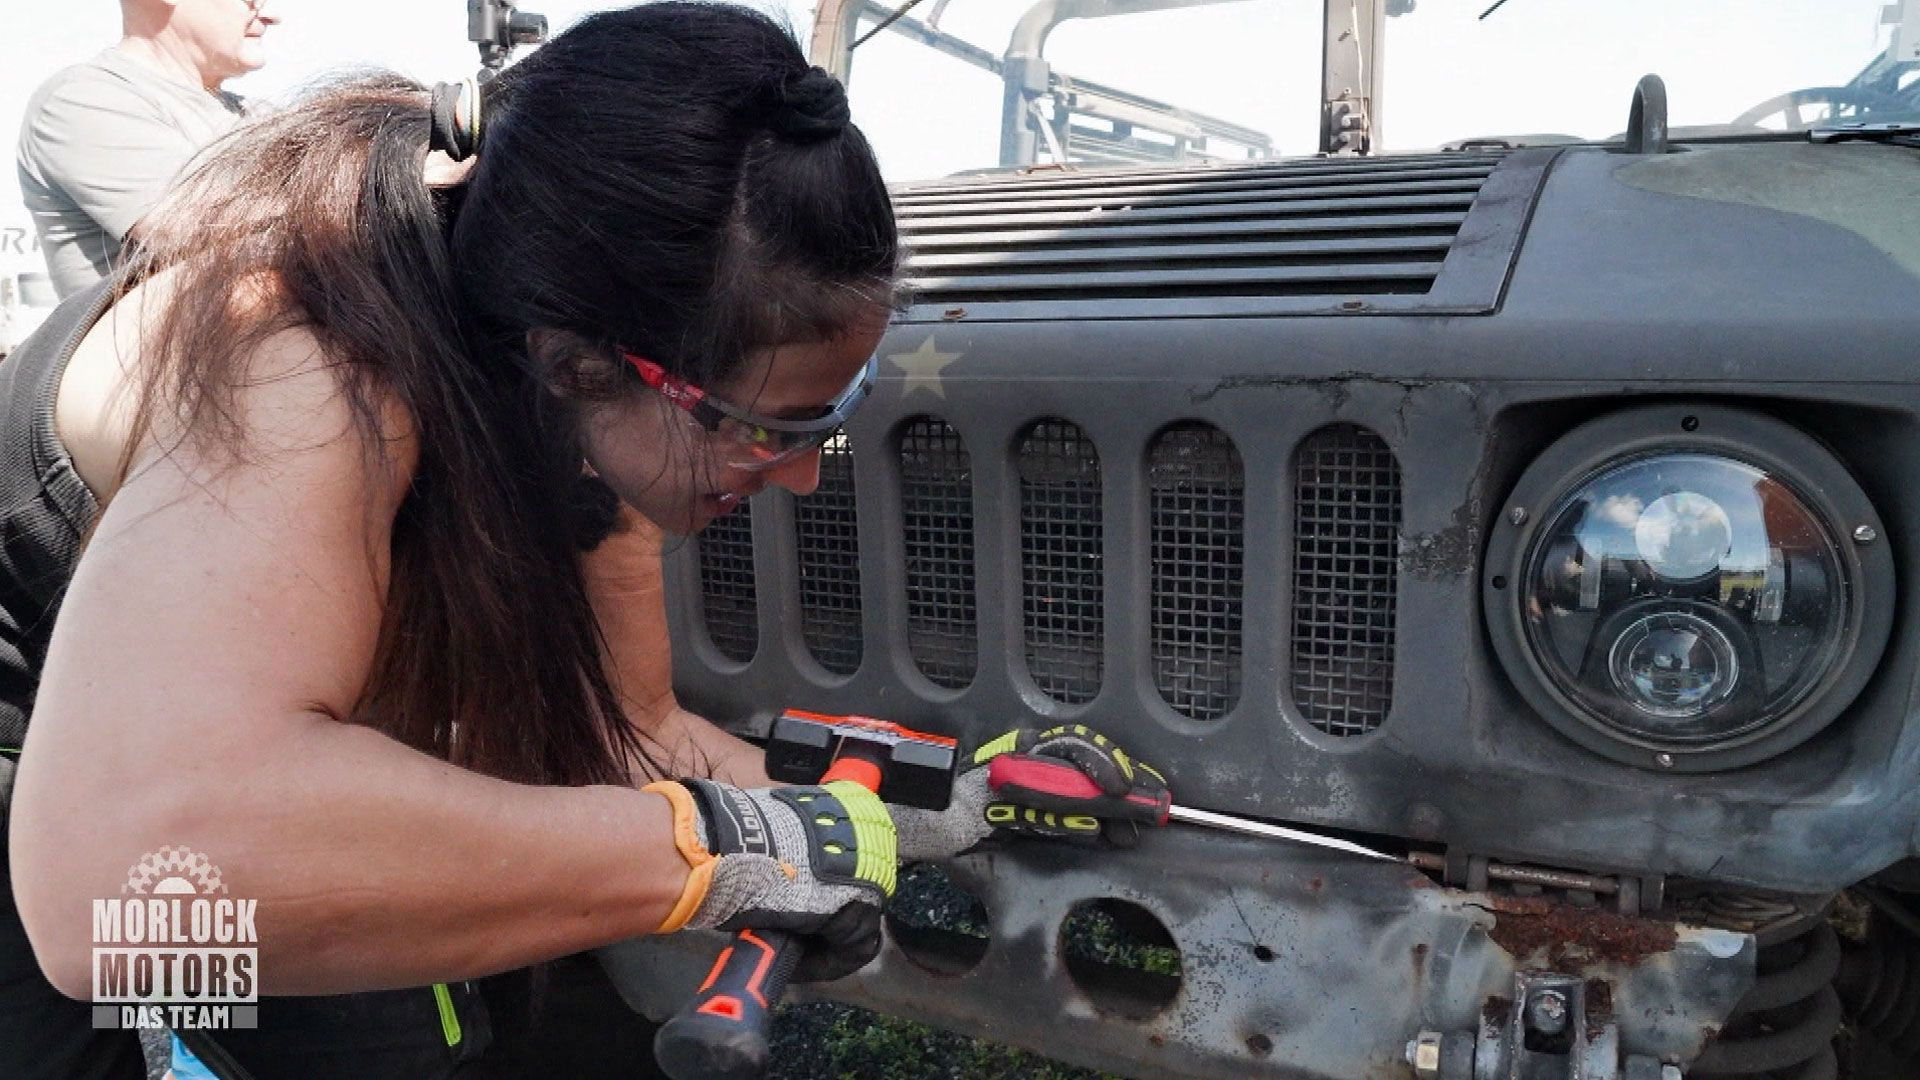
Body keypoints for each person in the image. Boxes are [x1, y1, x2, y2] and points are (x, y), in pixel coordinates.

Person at [0, 5, 1164, 1077]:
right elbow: (113, 901)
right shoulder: (309, 370)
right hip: (43, 738)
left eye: (830, 421)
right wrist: (715, 853)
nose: (804, 477)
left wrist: (931, 811)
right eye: (770, 429)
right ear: (584, 364)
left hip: (214, 717)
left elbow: (636, 741)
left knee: (437, 1029)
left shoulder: (577, 395)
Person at [17, 0, 276, 299]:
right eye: (251, 1)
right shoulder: (81, 100)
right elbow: (207, 229)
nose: (272, 15)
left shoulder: (258, 114)